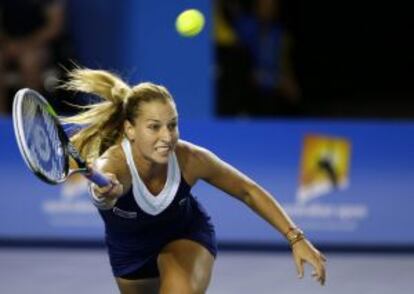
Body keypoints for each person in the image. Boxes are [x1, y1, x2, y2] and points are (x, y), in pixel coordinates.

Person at [61, 67, 326, 294]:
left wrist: (296, 238)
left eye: (172, 125)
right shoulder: (114, 164)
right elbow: (104, 186)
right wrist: (105, 193)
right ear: (130, 129)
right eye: (154, 127)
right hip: (130, 254)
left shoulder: (191, 159)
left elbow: (247, 190)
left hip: (185, 236)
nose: (167, 136)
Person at [0, 0, 66, 115]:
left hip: (38, 45)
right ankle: (2, 116)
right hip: (9, 44)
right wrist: (8, 43)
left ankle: (29, 117)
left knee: (29, 61)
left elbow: (54, 26)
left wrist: (26, 44)